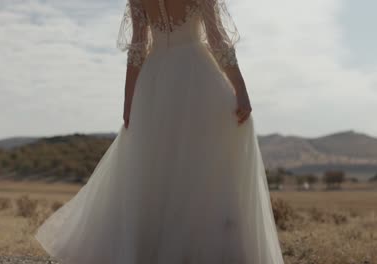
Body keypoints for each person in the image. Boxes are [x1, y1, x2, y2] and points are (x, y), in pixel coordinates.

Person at [35, 0, 285, 263]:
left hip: (154, 82)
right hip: (196, 77)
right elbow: (216, 37)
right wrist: (240, 87)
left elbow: (138, 48)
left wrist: (129, 101)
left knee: (156, 168)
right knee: (202, 165)